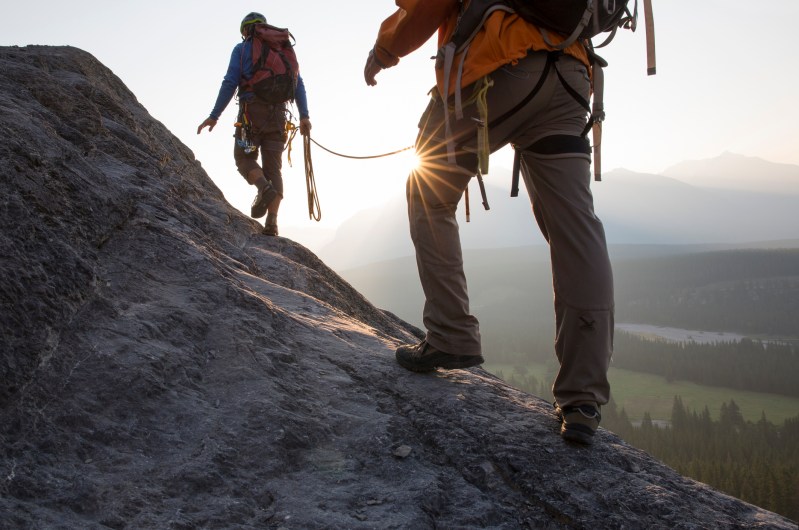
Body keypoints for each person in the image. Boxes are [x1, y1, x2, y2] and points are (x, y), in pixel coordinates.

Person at [364, 1, 614, 445]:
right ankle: (582, 397)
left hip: (498, 70)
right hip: (572, 77)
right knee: (576, 230)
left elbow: (428, 6)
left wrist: (385, 51)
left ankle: (450, 334)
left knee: (428, 191)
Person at [198, 12, 312, 236]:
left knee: (244, 158)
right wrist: (304, 116)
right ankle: (272, 223)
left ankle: (263, 188)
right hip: (279, 117)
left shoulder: (242, 50)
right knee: (274, 169)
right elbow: (298, 84)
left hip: (251, 116)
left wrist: (214, 115)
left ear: (245, 31)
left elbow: (230, 81)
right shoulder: (283, 51)